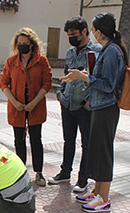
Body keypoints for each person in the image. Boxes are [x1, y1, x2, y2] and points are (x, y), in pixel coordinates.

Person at [61, 13, 128, 213]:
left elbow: (108, 85)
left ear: (98, 32)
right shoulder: (109, 49)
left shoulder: (111, 51)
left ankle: (104, 199)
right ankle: (98, 193)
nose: (92, 33)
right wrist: (81, 76)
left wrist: (82, 77)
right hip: (100, 107)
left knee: (104, 152)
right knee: (98, 151)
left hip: (106, 107)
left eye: (93, 29)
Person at [48, 16, 102, 193]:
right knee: (68, 140)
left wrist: (90, 101)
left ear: (85, 32)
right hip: (67, 104)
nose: (71, 37)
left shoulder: (96, 51)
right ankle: (65, 172)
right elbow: (66, 74)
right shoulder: (71, 52)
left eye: (74, 34)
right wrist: (60, 94)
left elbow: (98, 79)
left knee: (86, 143)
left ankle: (83, 178)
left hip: (84, 107)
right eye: (69, 34)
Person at [0, 27, 52, 187]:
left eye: (25, 43)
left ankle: (39, 172)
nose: (22, 46)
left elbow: (47, 83)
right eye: (19, 43)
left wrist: (34, 103)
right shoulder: (11, 62)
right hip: (17, 109)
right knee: (19, 141)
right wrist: (15, 102)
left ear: (32, 44)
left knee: (36, 140)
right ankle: (20, 172)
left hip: (35, 108)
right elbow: (3, 83)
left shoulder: (41, 60)